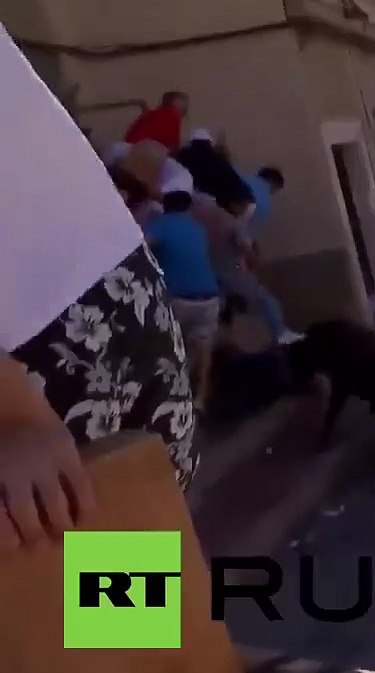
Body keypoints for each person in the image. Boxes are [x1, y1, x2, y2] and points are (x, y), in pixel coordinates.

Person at [2, 22, 198, 552]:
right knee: (131, 620)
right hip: (82, 306)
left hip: (39, 343)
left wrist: (9, 407)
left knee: (109, 621)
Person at [143, 168, 221, 415]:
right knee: (204, 349)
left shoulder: (159, 226)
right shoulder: (197, 229)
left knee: (172, 349)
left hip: (178, 299)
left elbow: (142, 249)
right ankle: (201, 397)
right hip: (209, 295)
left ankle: (176, 398)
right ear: (187, 207)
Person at [123, 90, 188, 153]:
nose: (186, 106)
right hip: (140, 154)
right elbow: (172, 147)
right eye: (183, 101)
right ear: (175, 102)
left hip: (130, 150)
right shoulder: (170, 115)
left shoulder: (158, 113)